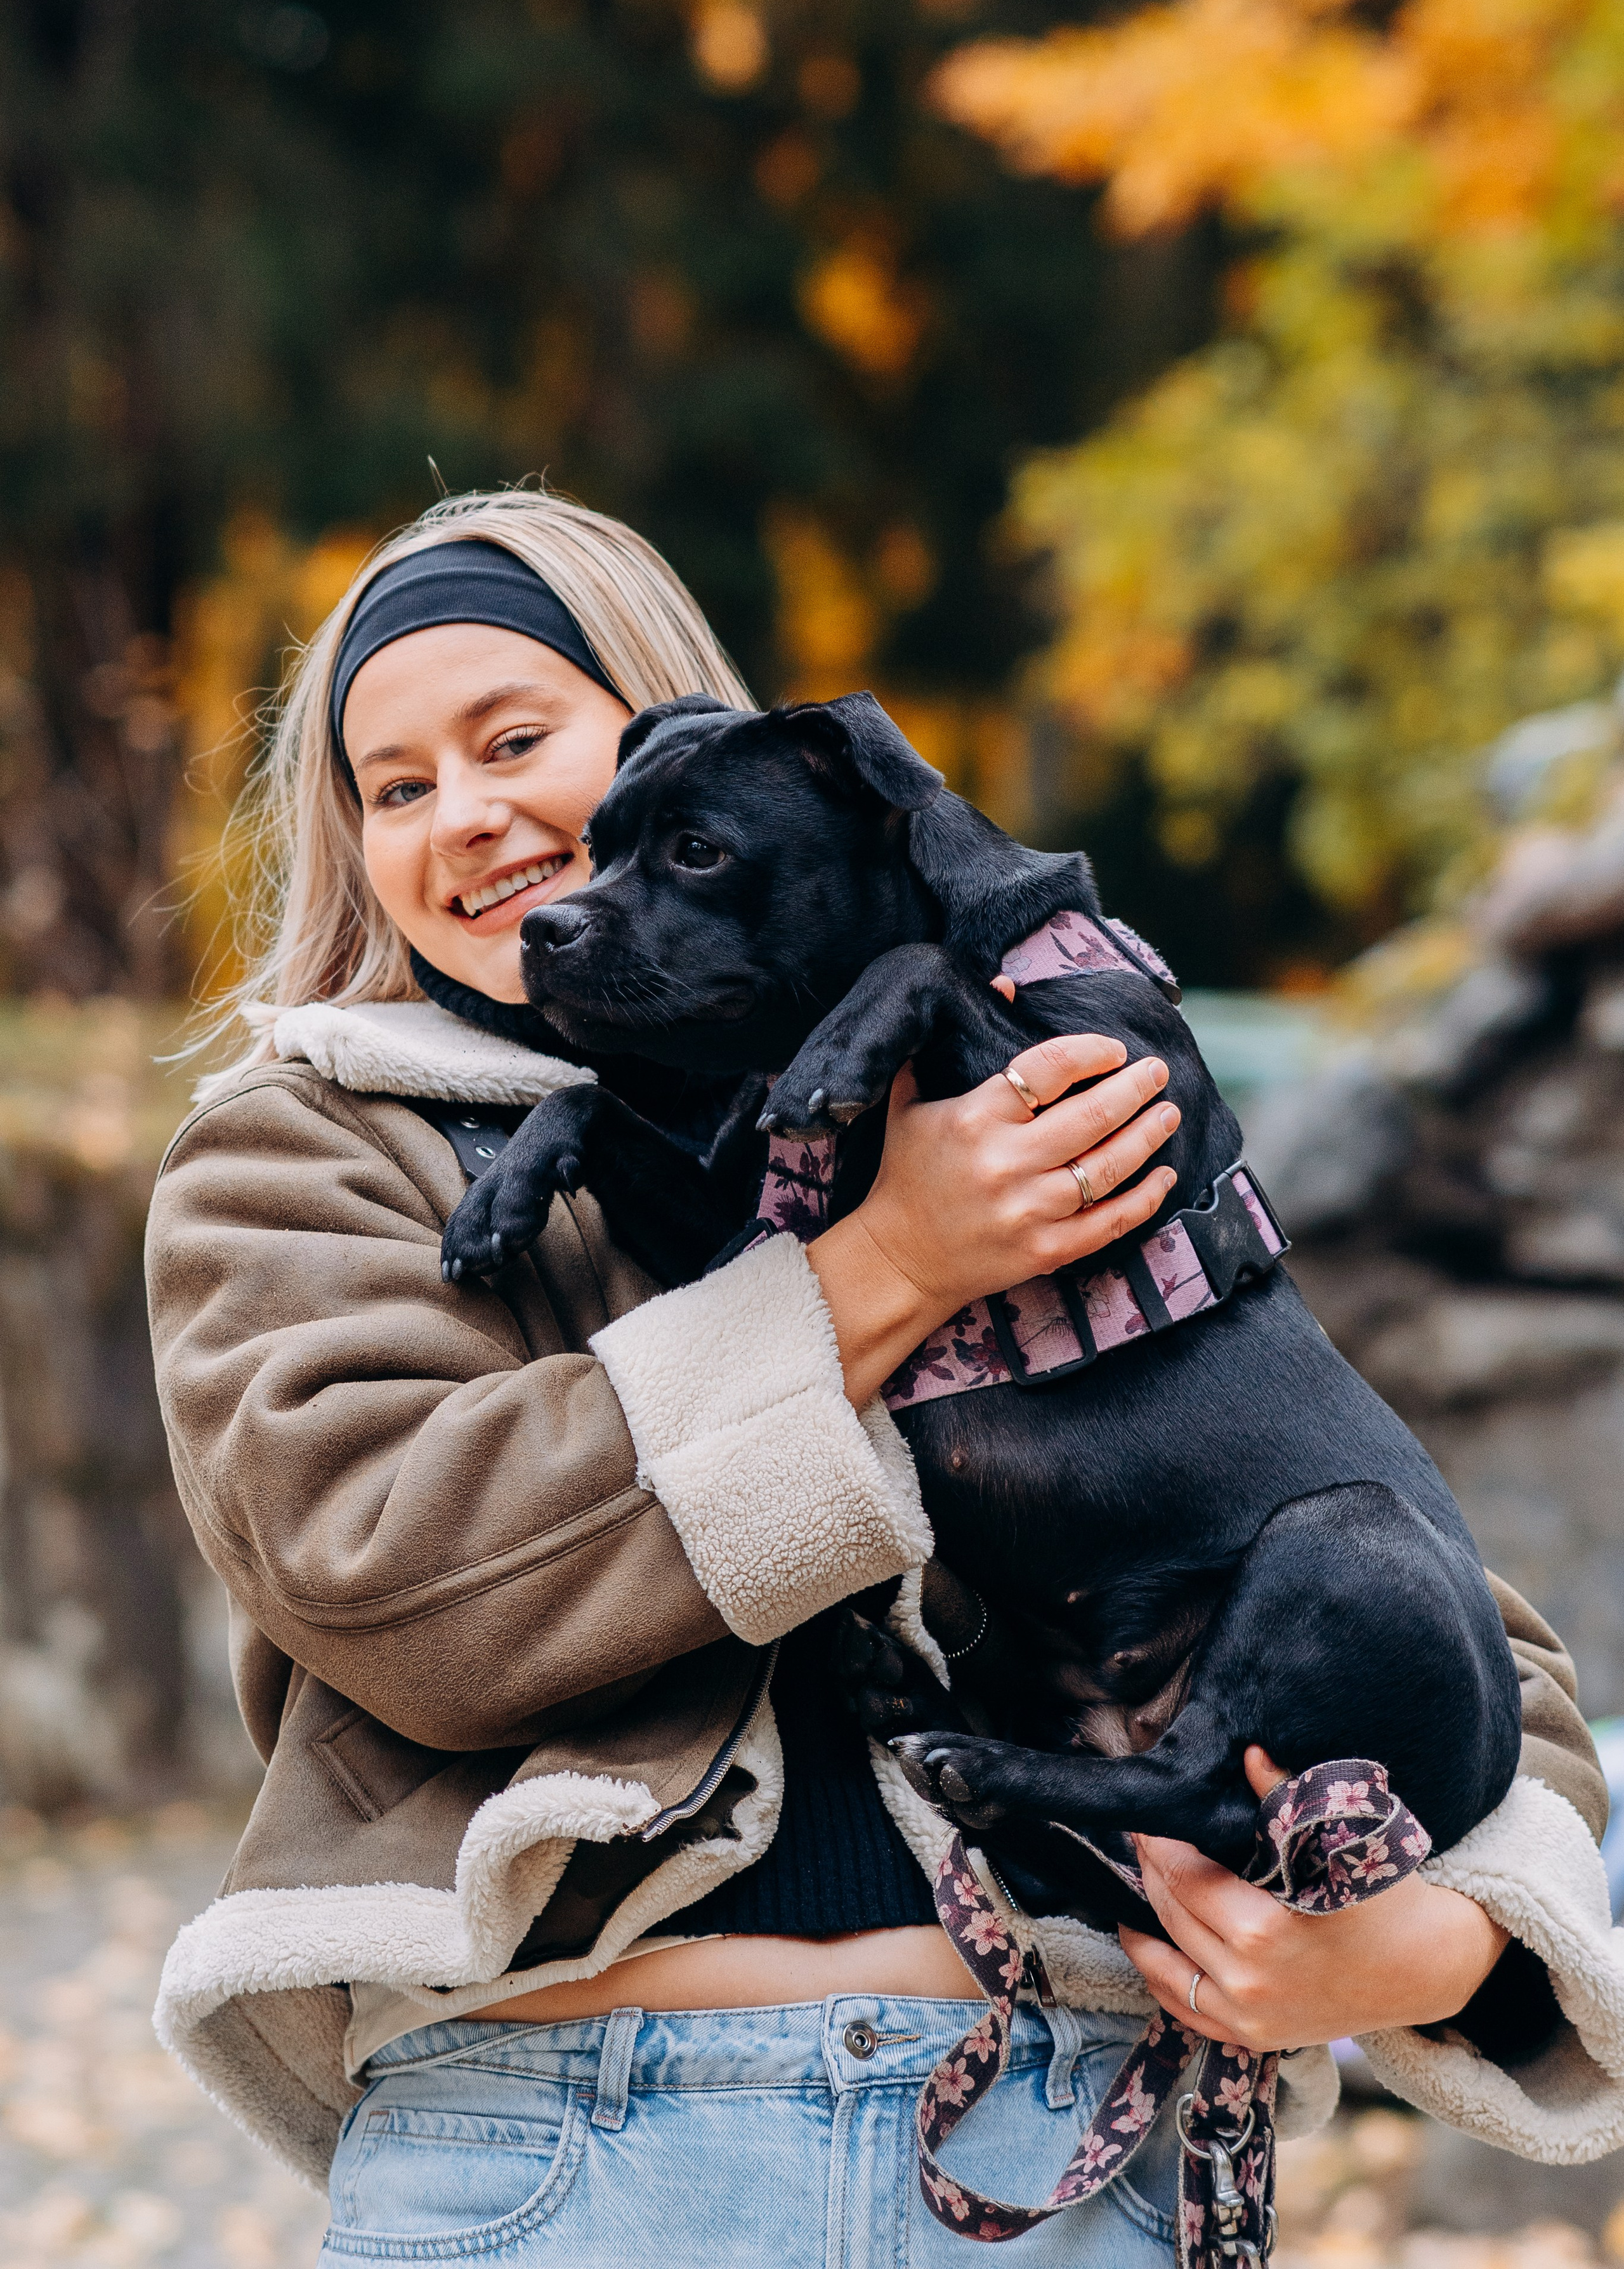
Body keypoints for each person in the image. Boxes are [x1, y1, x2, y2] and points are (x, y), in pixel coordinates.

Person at [147, 488, 1624, 2266]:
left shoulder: (987, 1081)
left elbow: (1388, 1558)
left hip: (1058, 2144)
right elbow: (389, 1575)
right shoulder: (299, 1159)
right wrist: (888, 1269)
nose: (465, 813)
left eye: (516, 739)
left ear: (673, 745)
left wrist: (1445, 1938)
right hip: (575, 2157)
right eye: (393, 789)